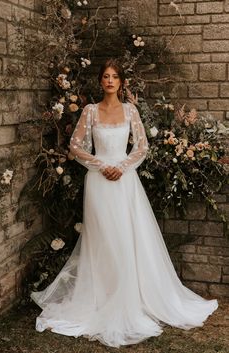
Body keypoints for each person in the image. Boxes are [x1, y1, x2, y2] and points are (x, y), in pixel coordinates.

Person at [31, 58, 218, 348]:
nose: (109, 81)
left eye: (114, 77)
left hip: (125, 181)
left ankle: (130, 297)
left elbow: (142, 146)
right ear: (100, 81)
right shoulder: (90, 111)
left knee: (126, 237)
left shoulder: (130, 110)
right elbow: (75, 146)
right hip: (99, 182)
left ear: (121, 82)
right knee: (103, 238)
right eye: (105, 76)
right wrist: (100, 165)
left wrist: (122, 165)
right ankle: (103, 296)